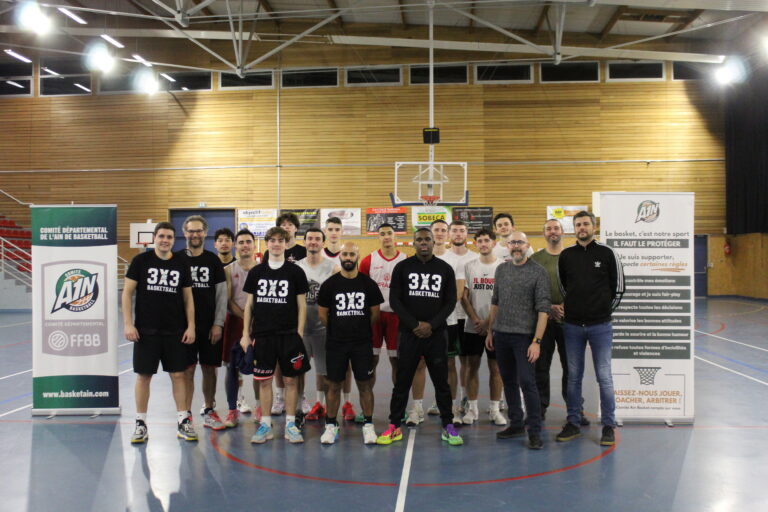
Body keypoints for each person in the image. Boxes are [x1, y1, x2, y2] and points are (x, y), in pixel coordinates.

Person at [377, 228, 463, 446]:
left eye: (427, 239)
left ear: (434, 242)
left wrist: (431, 325)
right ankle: (394, 425)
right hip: (409, 334)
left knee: (441, 382)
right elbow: (395, 300)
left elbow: (450, 301)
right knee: (402, 382)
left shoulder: (444, 269)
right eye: (419, 239)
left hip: (436, 335)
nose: (423, 242)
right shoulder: (402, 267)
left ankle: (448, 425)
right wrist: (414, 325)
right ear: (413, 243)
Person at [123, 222, 196, 443]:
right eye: (162, 236)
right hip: (146, 331)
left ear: (174, 240)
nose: (165, 240)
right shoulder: (141, 261)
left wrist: (191, 326)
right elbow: (127, 293)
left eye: (169, 237)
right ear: (154, 237)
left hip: (175, 331)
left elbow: (188, 298)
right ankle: (140, 423)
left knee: (178, 375)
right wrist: (128, 324)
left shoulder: (181, 263)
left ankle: (183, 421)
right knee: (144, 376)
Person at [556, 210, 625, 447]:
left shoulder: (607, 253)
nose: (582, 227)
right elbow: (565, 288)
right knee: (574, 377)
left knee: (604, 377)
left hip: (600, 327)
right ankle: (573, 421)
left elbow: (619, 289)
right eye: (578, 224)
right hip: (573, 326)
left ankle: (608, 425)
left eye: (586, 224)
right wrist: (576, 309)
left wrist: (602, 312)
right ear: (574, 228)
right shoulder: (566, 256)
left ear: (593, 226)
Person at [240, 227, 311, 444]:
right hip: (262, 335)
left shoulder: (296, 272)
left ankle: (290, 424)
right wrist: (245, 334)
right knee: (264, 381)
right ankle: (265, 424)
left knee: (290, 380)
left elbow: (302, 305)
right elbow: (249, 305)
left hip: (289, 335)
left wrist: (298, 333)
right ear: (267, 243)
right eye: (272, 240)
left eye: (281, 240)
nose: (276, 244)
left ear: (286, 243)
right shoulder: (256, 272)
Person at [485, 231, 550, 450]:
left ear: (527, 245)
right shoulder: (502, 269)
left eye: (520, 243)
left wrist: (537, 341)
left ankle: (534, 430)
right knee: (509, 382)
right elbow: (495, 302)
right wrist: (490, 331)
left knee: (527, 383)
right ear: (507, 245)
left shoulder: (538, 272)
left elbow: (543, 310)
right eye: (512, 242)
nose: (516, 246)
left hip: (524, 338)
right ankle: (516, 423)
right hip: (501, 335)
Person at [317, 242, 383, 444]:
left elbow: (375, 313)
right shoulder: (330, 284)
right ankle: (330, 425)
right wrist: (339, 329)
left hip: (361, 343)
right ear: (340, 256)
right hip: (336, 343)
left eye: (351, 254)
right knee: (334, 385)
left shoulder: (368, 284)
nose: (347, 257)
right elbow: (322, 314)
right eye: (344, 253)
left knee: (364, 385)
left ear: (357, 256)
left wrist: (358, 328)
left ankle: (369, 425)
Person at [530, 219, 589, 425]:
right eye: (548, 229)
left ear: (563, 232)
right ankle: (539, 407)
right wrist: (549, 307)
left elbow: (582, 286)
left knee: (572, 368)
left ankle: (575, 409)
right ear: (543, 233)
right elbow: (531, 289)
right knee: (540, 367)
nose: (552, 232)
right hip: (542, 322)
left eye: (556, 228)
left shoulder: (573, 256)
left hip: (570, 321)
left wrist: (565, 305)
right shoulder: (535, 259)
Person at [178, 216, 227, 431]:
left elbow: (221, 295)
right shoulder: (176, 259)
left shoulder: (213, 261)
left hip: (209, 327)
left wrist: (218, 323)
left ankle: (208, 409)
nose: (195, 235)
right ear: (185, 233)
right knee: (186, 371)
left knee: (209, 369)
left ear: (205, 233)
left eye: (199, 231)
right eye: (191, 231)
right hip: (184, 328)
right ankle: (186, 415)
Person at [459, 228, 506, 425]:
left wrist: (488, 323)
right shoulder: (469, 266)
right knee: (471, 368)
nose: (483, 244)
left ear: (494, 243)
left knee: (496, 369)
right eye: (480, 241)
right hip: (473, 327)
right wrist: (476, 320)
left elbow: (506, 298)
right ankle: (472, 409)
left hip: (496, 327)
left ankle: (495, 410)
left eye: (487, 240)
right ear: (475, 244)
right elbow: (463, 296)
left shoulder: (504, 267)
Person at [263, 213, 306, 415]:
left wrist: (299, 328)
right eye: (283, 225)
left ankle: (301, 396)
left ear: (295, 229)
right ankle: (279, 397)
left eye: (290, 225)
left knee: (298, 363)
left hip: (294, 319)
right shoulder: (268, 257)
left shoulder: (303, 253)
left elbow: (301, 297)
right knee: (278, 364)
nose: (286, 227)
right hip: (271, 323)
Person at [297, 228, 339, 422]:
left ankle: (322, 405)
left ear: (323, 243)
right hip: (301, 329)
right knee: (298, 370)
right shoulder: (296, 267)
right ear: (304, 242)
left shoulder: (333, 268)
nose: (313, 242)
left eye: (317, 239)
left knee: (325, 372)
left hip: (323, 328)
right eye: (310, 239)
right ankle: (298, 407)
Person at [359, 223, 406, 391]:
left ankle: (399, 406)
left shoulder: (405, 260)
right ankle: (367, 405)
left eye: (389, 233)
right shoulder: (368, 260)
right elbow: (360, 290)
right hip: (374, 316)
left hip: (397, 317)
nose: (386, 236)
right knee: (371, 360)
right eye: (382, 234)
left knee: (397, 361)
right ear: (378, 237)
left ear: (395, 236)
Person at [221, 229, 261, 428]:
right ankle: (231, 410)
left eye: (248, 241)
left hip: (259, 325)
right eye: (241, 242)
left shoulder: (263, 268)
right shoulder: (229, 270)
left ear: (254, 245)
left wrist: (254, 320)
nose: (245, 245)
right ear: (236, 246)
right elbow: (228, 300)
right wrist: (245, 317)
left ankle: (260, 408)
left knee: (261, 369)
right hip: (236, 322)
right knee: (232, 367)